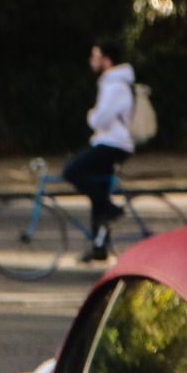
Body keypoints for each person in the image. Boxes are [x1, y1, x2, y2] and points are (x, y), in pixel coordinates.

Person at [64, 41, 135, 262]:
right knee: (98, 189)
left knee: (71, 171)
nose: (91, 60)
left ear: (106, 59)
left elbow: (100, 118)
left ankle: (111, 209)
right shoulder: (113, 82)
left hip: (113, 143)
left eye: (95, 56)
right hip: (108, 141)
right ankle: (99, 246)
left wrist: (91, 116)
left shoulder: (115, 85)